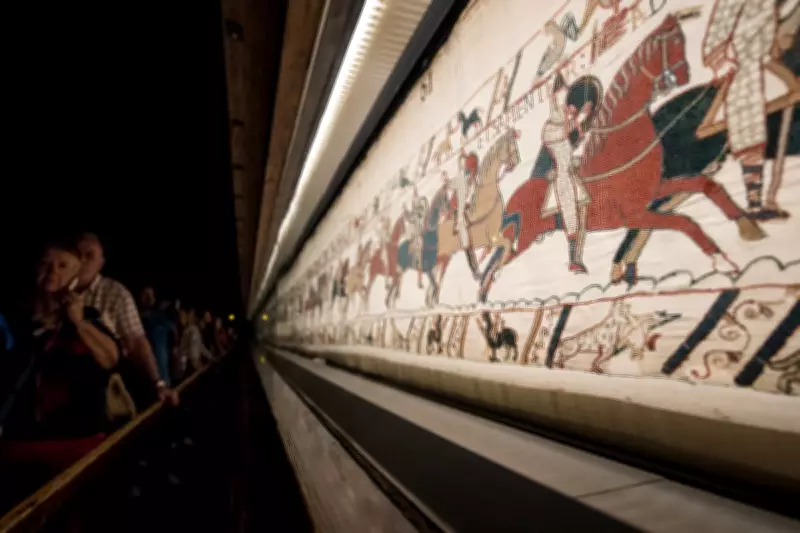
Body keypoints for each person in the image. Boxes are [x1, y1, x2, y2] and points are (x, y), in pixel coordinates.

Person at [0, 240, 120, 511]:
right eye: (46, 264)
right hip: (18, 446)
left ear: (76, 276)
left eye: (63, 266)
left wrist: (78, 322)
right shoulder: (13, 318)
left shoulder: (89, 318)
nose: (53, 271)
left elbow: (110, 359)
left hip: (77, 446)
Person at [701, 0, 788, 220]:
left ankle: (756, 205)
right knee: (749, 134)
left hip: (754, 66)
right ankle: (754, 205)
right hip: (739, 69)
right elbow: (720, 32)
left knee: (754, 135)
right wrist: (726, 61)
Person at [74, 233, 178, 406]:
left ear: (101, 262)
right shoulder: (55, 290)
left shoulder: (115, 293)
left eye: (89, 256)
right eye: (78, 254)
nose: (82, 261)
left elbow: (137, 341)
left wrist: (158, 383)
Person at [540, 72, 593, 273]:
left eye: (566, 98)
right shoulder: (549, 128)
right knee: (571, 212)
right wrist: (580, 116)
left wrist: (582, 117)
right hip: (562, 177)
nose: (565, 105)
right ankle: (573, 260)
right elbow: (564, 133)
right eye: (561, 99)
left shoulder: (565, 123)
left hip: (571, 170)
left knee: (583, 211)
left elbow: (572, 139)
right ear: (554, 101)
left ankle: (578, 255)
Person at [139, 287, 175, 388]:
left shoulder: (162, 315)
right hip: (147, 369)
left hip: (161, 369)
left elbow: (173, 332)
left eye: (151, 295)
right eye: (145, 295)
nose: (149, 298)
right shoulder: (141, 318)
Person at [455, 149, 481, 279]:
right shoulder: (461, 179)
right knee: (466, 242)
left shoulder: (473, 178)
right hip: (462, 214)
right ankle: (474, 270)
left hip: (472, 207)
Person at [403, 189, 429, 288]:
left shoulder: (418, 212)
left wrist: (405, 211)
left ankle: (419, 280)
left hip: (419, 237)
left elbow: (410, 218)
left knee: (418, 259)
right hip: (422, 236)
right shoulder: (423, 211)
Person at [179, 308, 212, 374]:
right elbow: (193, 354)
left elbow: (200, 346)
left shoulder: (194, 329)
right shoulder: (193, 330)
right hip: (188, 367)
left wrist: (211, 357)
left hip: (186, 366)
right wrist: (198, 367)